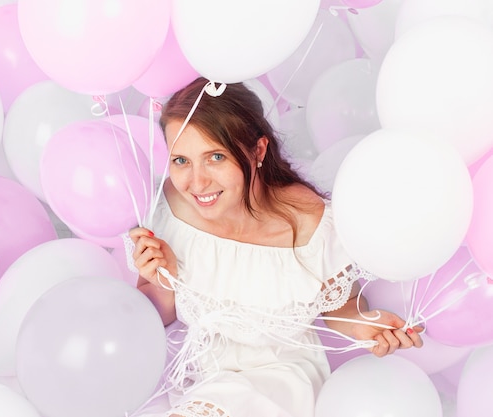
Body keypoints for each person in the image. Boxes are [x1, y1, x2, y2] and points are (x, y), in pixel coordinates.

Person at [129, 77, 423, 417]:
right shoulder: (170, 207)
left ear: (258, 150)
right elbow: (157, 316)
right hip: (195, 373)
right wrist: (164, 279)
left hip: (278, 380)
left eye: (216, 157)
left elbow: (342, 306)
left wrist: (367, 327)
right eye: (181, 160)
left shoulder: (312, 225)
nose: (197, 182)